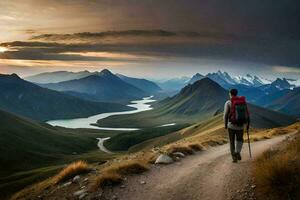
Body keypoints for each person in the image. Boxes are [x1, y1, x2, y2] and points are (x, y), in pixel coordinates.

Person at [223, 88, 250, 163]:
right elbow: (247, 114)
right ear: (236, 93)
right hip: (241, 125)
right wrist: (247, 125)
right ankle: (238, 152)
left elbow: (225, 115)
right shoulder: (243, 102)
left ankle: (234, 158)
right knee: (240, 140)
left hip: (231, 126)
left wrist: (225, 124)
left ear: (230, 94)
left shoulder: (228, 102)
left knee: (232, 142)